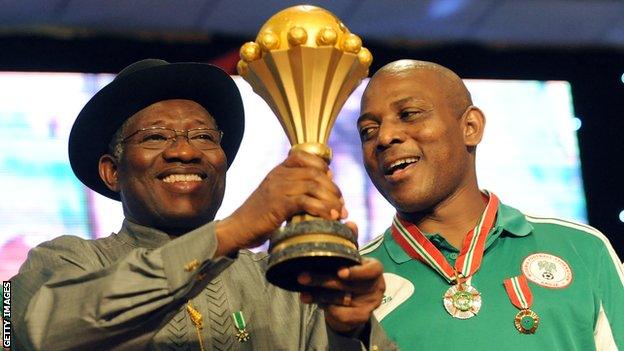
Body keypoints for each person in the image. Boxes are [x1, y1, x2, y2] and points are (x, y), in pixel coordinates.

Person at [11, 59, 395, 351]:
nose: (184, 151)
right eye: (156, 137)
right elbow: (42, 332)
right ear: (112, 172)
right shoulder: (65, 262)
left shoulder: (285, 283)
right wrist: (232, 231)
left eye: (203, 136)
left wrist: (348, 329)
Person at [357, 59, 623, 350]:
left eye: (409, 114)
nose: (383, 137)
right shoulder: (353, 285)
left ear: (470, 126)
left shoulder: (582, 248)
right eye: (368, 131)